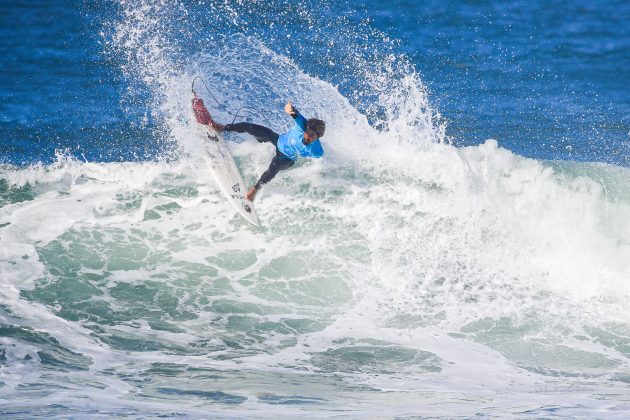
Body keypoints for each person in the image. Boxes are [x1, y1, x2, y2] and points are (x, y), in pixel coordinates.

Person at [210, 100, 325, 201]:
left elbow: (319, 162)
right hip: (278, 140)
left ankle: (254, 190)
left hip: (287, 158)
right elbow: (294, 113)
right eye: (307, 133)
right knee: (249, 127)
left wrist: (318, 171)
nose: (307, 137)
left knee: (273, 167)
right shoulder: (303, 125)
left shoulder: (317, 150)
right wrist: (289, 108)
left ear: (318, 137)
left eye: (311, 137)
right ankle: (223, 127)